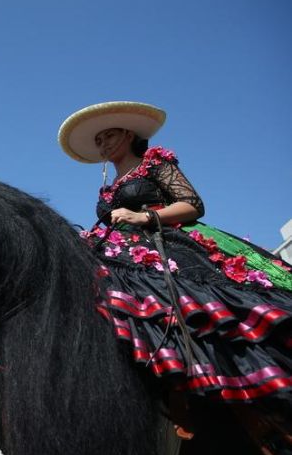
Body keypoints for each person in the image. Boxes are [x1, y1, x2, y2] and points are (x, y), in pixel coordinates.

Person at [58, 101, 292, 435]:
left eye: (109, 136)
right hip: (121, 250)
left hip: (167, 242)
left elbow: (193, 205)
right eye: (98, 141)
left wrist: (144, 217)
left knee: (195, 303)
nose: (104, 145)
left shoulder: (155, 162)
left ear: (127, 133)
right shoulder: (108, 188)